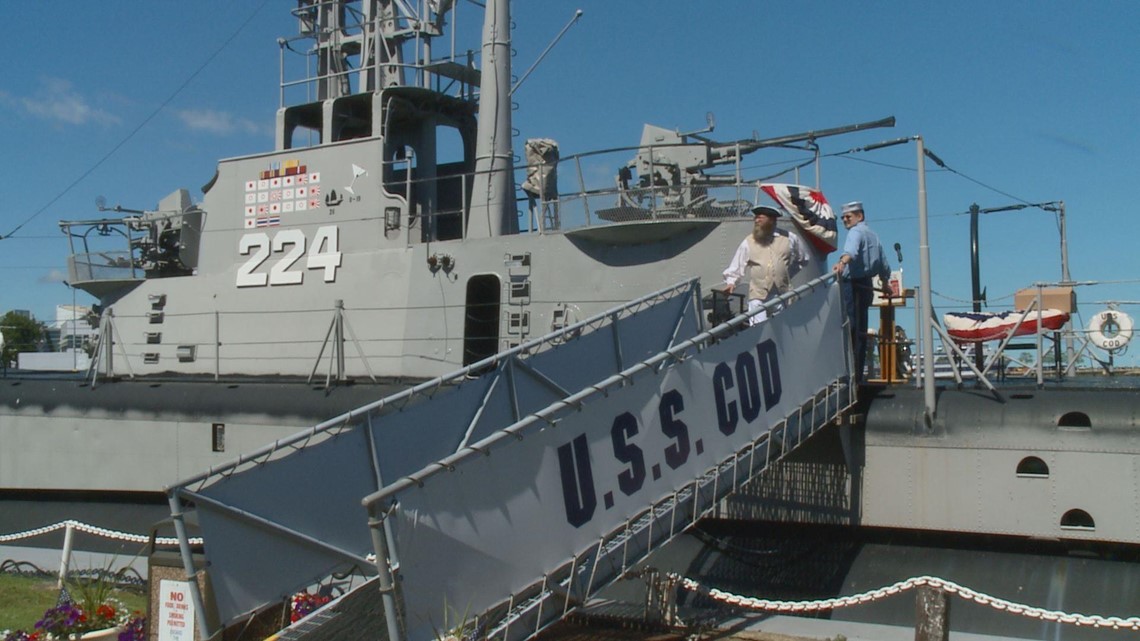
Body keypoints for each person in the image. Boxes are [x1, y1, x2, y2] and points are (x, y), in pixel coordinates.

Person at [831, 201, 891, 383]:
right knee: (861, 330)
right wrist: (885, 282)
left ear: (860, 216)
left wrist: (841, 262)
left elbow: (851, 251)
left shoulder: (856, 232)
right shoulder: (874, 235)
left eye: (848, 217)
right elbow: (883, 262)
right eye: (843, 218)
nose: (845, 220)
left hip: (852, 285)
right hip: (866, 286)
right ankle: (857, 374)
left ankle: (849, 375)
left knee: (850, 329)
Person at [721, 204, 808, 325]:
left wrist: (787, 274)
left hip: (780, 293)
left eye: (760, 218)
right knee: (758, 328)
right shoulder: (749, 241)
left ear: (771, 220)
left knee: (781, 326)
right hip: (757, 294)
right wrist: (731, 283)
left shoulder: (790, 238)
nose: (756, 221)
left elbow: (803, 259)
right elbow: (737, 265)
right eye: (755, 218)